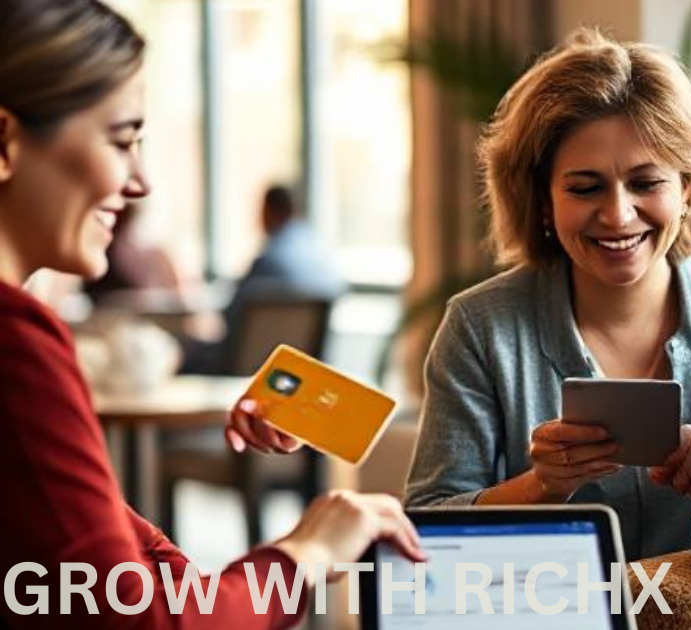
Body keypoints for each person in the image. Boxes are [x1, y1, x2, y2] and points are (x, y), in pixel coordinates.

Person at [228, 28, 691, 560]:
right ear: (542, 200)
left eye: (646, 183)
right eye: (585, 187)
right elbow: (427, 524)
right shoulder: (481, 326)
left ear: (688, 190)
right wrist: (542, 485)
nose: (619, 214)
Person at [0, 2, 422, 628]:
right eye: (121, 141)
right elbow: (147, 619)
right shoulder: (16, 342)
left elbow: (125, 576)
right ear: (5, 142)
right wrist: (305, 554)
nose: (140, 182)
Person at [181, 183, 344, 374]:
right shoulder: (322, 255)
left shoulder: (268, 261)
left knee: (186, 355)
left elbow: (230, 317)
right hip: (306, 370)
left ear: (269, 211)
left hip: (252, 368)